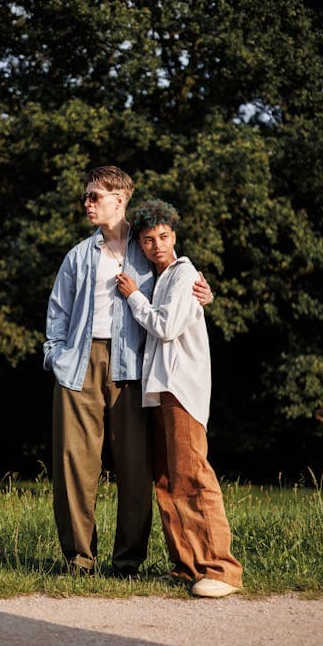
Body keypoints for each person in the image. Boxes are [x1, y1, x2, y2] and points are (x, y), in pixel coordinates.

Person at [43, 166, 213, 577]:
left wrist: (205, 295)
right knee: (74, 464)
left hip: (133, 368)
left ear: (120, 199)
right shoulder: (78, 255)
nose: (87, 203)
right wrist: (56, 354)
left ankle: (127, 562)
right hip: (78, 365)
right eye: (87, 196)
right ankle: (79, 561)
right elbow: (58, 311)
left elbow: (179, 286)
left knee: (136, 468)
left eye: (94, 196)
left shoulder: (147, 251)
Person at [116, 199, 243, 597]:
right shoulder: (162, 278)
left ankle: (222, 570)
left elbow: (167, 327)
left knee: (193, 476)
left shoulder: (185, 274)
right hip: (161, 389)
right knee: (168, 480)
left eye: (164, 237)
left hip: (182, 387)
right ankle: (187, 566)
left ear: (175, 236)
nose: (157, 245)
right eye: (149, 239)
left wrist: (135, 296)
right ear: (140, 242)